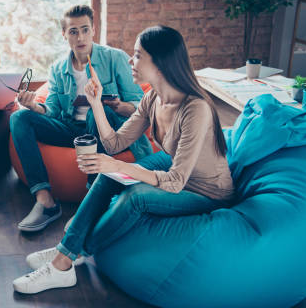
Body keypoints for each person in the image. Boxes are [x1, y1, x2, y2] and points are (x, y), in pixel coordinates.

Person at [12, 25, 235, 294]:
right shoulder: (153, 97)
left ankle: (65, 260)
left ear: (161, 63)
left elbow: (175, 182)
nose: (131, 60)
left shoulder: (195, 109)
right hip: (178, 171)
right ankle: (68, 251)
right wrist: (96, 104)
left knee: (136, 196)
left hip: (206, 191)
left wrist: (117, 165)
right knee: (109, 174)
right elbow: (114, 143)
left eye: (139, 55)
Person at [10, 5, 153, 232]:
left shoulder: (115, 58)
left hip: (106, 129)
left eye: (85, 30)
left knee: (99, 113)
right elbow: (53, 111)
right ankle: (45, 200)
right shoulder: (58, 68)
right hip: (71, 129)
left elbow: (140, 104)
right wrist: (33, 107)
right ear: (64, 35)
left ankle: (91, 200)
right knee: (20, 118)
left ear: (94, 30)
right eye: (74, 31)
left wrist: (120, 106)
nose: (80, 37)